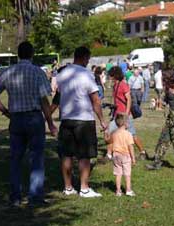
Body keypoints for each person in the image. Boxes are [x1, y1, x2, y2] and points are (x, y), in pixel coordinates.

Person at [0, 41, 57, 207]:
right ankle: (35, 197)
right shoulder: (37, 72)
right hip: (34, 117)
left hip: (16, 118)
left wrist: (5, 112)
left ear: (18, 54)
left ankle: (15, 197)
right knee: (37, 158)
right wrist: (51, 123)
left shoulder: (8, 71)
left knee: (16, 159)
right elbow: (44, 101)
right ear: (32, 54)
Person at [56, 46, 107, 198]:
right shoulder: (87, 74)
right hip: (84, 119)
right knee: (84, 155)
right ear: (84, 57)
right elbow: (95, 99)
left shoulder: (62, 73)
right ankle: (84, 188)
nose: (88, 61)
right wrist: (102, 120)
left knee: (66, 154)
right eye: (88, 59)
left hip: (66, 118)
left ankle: (68, 187)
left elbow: (57, 96)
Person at [146, 70, 174, 170]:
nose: (161, 78)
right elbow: (166, 100)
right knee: (163, 139)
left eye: (163, 76)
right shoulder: (166, 87)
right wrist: (162, 104)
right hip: (170, 116)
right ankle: (157, 162)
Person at [108, 66, 148, 160]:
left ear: (115, 76)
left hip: (124, 115)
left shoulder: (123, 85)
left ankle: (142, 152)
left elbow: (129, 99)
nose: (110, 77)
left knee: (132, 135)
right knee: (110, 132)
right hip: (116, 114)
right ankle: (109, 155)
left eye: (111, 75)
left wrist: (126, 113)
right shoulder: (115, 85)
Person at [105, 113, 136, 197]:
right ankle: (128, 190)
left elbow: (109, 142)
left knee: (118, 174)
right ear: (125, 123)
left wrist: (106, 132)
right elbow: (131, 147)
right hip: (126, 156)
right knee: (127, 174)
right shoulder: (128, 134)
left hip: (116, 155)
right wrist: (133, 158)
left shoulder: (114, 133)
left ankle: (118, 191)